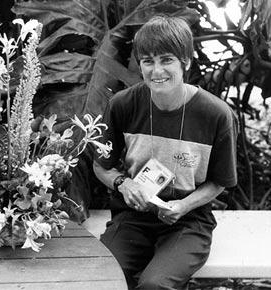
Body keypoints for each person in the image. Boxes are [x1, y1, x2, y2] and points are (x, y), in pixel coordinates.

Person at [93, 15, 238, 289]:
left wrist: (183, 205)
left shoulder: (215, 114)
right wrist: (124, 184)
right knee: (104, 277)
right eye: (148, 61)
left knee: (154, 285)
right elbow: (101, 165)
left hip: (188, 221)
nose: (156, 71)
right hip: (133, 216)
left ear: (186, 62)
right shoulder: (123, 104)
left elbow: (220, 182)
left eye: (166, 60)